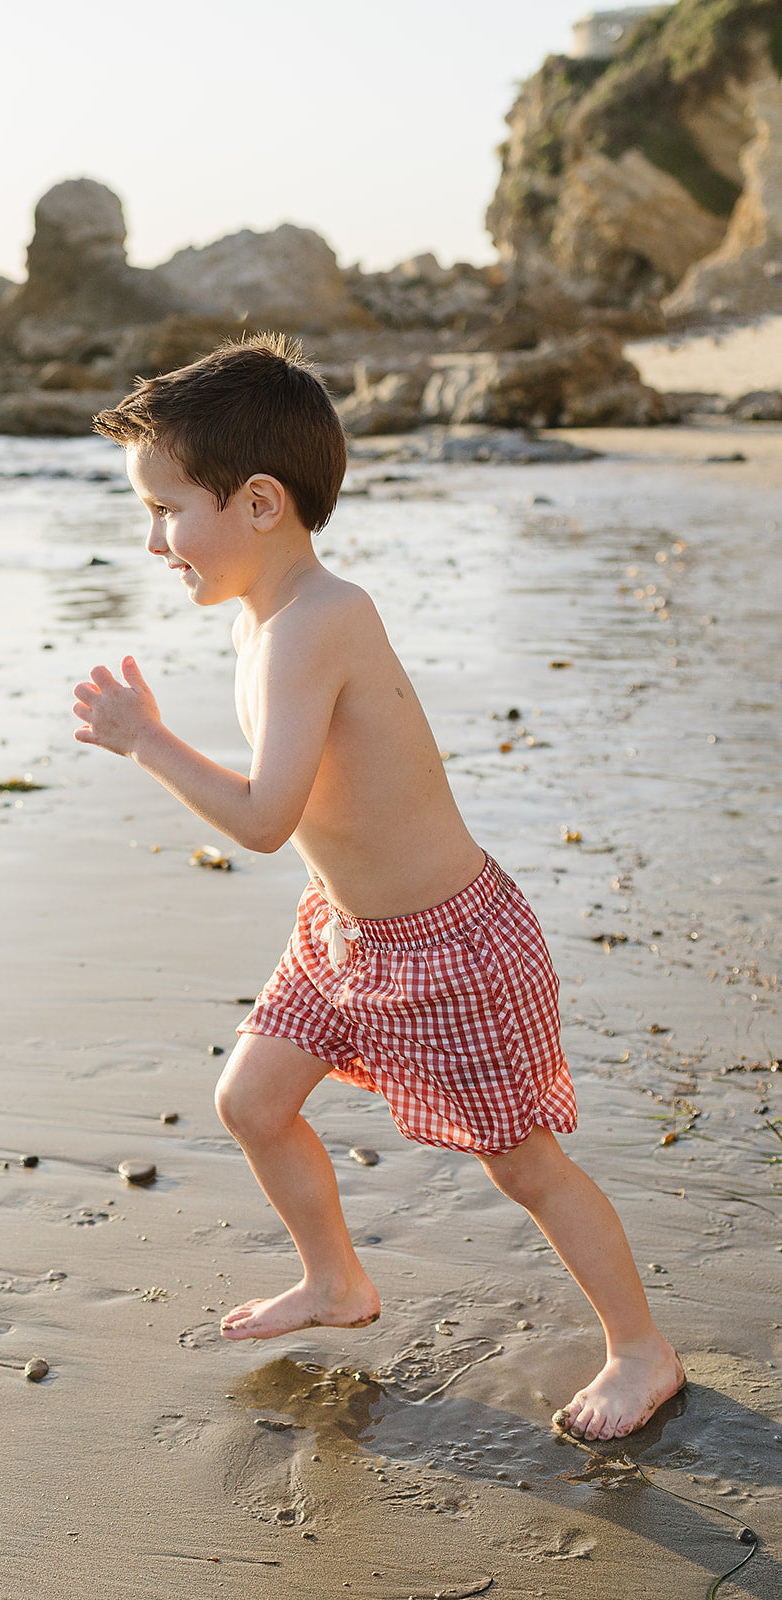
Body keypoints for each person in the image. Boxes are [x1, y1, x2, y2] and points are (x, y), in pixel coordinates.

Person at [72, 334, 685, 1444]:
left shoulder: (320, 620)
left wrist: (148, 742)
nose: (154, 540)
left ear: (260, 502)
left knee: (524, 1166)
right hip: (343, 934)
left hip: (449, 945)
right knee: (251, 1103)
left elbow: (264, 819)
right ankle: (335, 1280)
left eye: (166, 509)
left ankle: (640, 1349)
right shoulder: (268, 617)